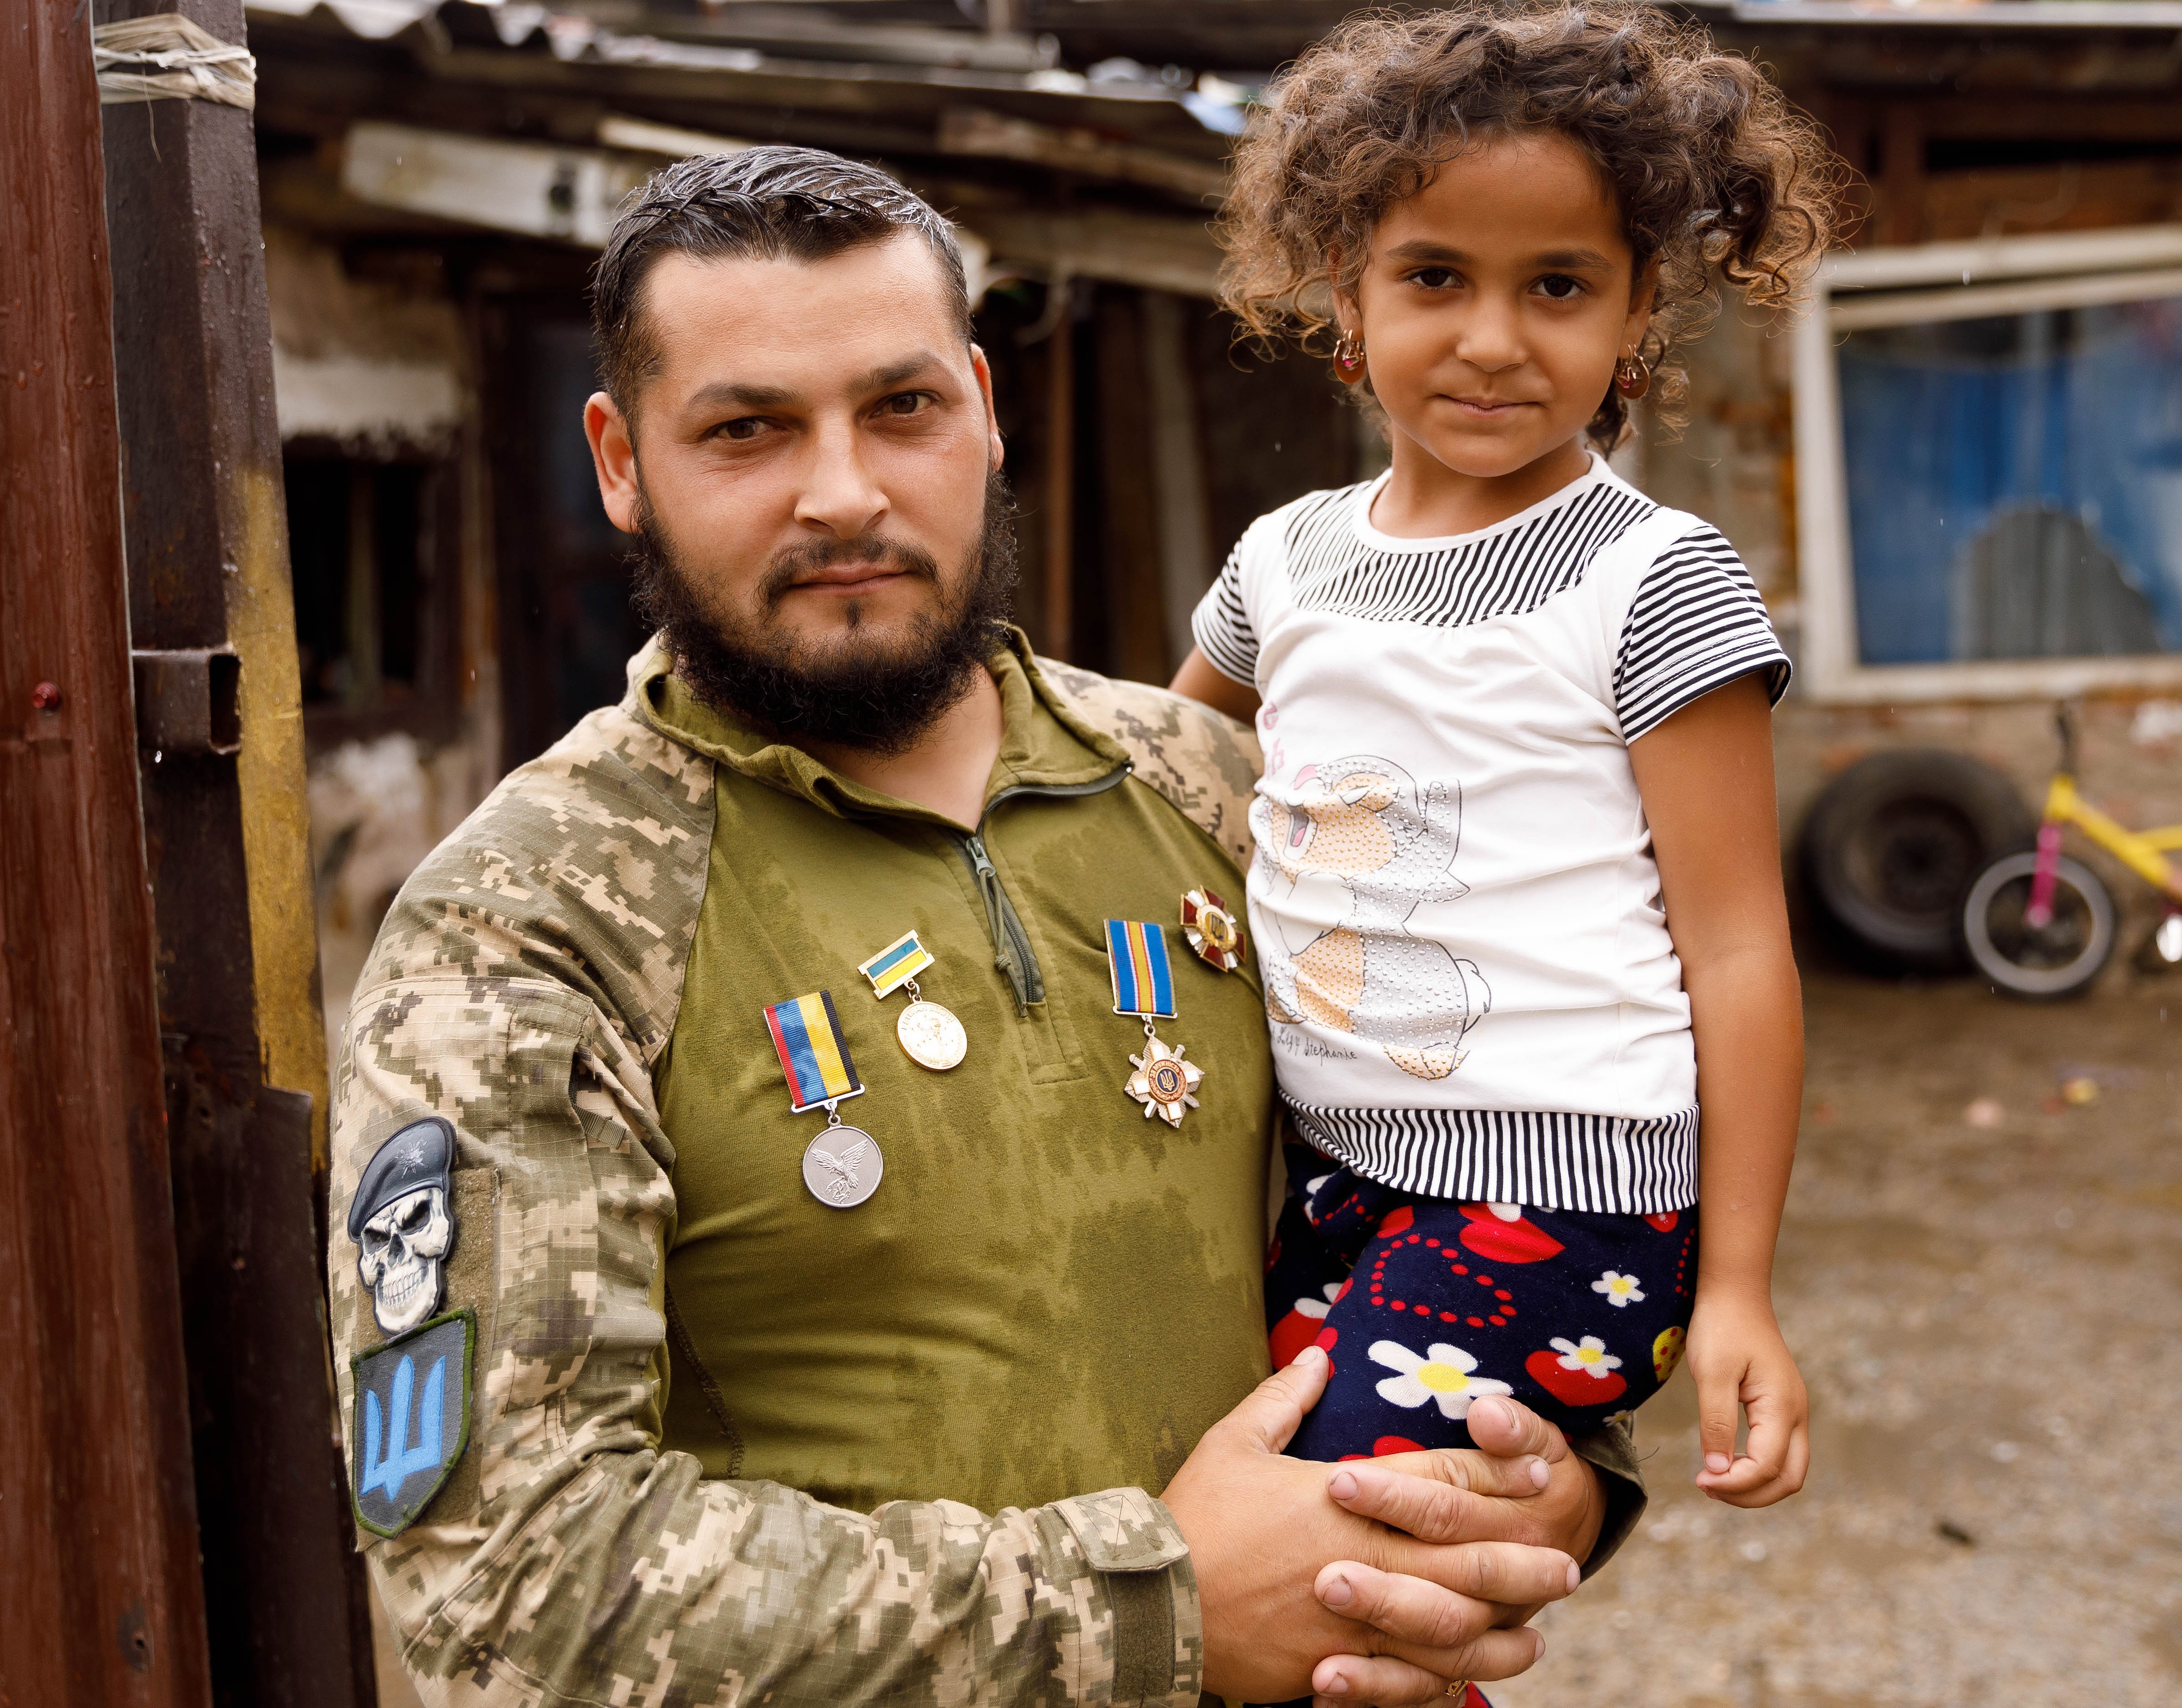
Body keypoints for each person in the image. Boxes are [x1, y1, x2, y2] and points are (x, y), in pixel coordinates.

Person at [323, 145, 1649, 1707]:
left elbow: (1497, 1162)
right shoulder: (532, 927)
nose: (846, 492)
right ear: (621, 461)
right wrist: (1155, 1603)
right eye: (747, 430)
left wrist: (1554, 1466)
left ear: (983, 405)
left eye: (902, 409)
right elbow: (507, 1581)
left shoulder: (1224, 793)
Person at [1171, 1, 1826, 1510]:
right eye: (1433, 277)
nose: (1491, 339)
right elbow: (1157, 769)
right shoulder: (1284, 561)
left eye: (1557, 285)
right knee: (1326, 1562)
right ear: (1348, 297)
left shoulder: (1651, 577)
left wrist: (1739, 1290)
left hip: (1570, 1198)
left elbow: (1737, 950)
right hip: (1333, 1175)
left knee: (1309, 1533)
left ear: (1635, 311)